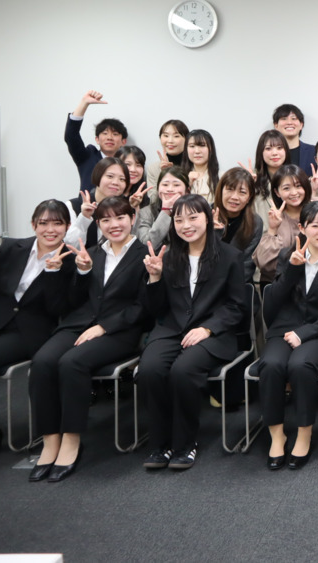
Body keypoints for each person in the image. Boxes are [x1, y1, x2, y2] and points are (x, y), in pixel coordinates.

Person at [28, 196, 147, 481]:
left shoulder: (145, 254)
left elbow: (144, 308)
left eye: (120, 217)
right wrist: (79, 272)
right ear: (98, 224)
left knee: (72, 363)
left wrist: (105, 327)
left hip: (119, 331)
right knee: (43, 362)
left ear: (132, 218)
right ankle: (50, 440)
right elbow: (68, 303)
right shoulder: (90, 252)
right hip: (78, 324)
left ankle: (71, 439)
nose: (113, 224)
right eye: (105, 219)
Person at [137, 195, 246, 471]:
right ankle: (160, 444)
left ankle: (185, 444)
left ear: (208, 218)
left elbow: (236, 307)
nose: (186, 225)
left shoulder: (230, 256)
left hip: (214, 334)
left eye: (193, 218)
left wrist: (208, 328)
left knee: (183, 371)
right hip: (171, 330)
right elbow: (155, 308)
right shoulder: (167, 255)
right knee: (149, 370)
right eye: (179, 219)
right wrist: (154, 279)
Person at [260, 202, 318, 470]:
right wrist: (291, 270)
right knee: (271, 365)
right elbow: (271, 305)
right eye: (315, 225)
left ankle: (304, 433)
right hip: (283, 328)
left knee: (300, 365)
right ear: (302, 228)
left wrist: (304, 333)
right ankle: (277, 436)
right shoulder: (288, 255)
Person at [0, 201, 75, 459]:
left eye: (57, 223)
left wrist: (53, 273)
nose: (50, 229)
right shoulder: (14, 247)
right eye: (44, 223)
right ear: (33, 225)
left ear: (67, 227)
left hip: (31, 331)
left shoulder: (70, 259)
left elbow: (58, 307)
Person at [253, 165, 311, 285]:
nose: (294, 193)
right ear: (277, 192)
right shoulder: (275, 217)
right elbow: (264, 264)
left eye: (298, 186)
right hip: (280, 283)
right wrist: (273, 228)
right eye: (286, 188)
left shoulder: (317, 211)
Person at [63, 90, 128, 192]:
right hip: (88, 206)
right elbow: (71, 136)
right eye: (105, 133)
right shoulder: (87, 156)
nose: (109, 138)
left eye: (115, 134)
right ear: (97, 139)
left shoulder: (127, 163)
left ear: (123, 141)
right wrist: (84, 103)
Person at [65, 157, 130, 249]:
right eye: (110, 176)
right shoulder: (72, 206)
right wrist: (84, 217)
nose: (116, 182)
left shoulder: (127, 208)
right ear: (98, 176)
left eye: (122, 179)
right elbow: (72, 246)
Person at [212, 167, 263, 284]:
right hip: (206, 285)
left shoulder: (255, 222)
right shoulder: (206, 215)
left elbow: (247, 266)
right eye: (230, 189)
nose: (235, 197)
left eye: (242, 192)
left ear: (249, 197)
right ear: (221, 190)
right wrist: (213, 234)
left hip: (238, 285)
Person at [136, 166, 189, 251]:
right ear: (158, 188)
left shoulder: (194, 211)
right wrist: (165, 211)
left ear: (187, 191)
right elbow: (147, 245)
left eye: (176, 185)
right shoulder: (145, 212)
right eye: (165, 184)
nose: (170, 189)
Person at [146, 120, 190, 190]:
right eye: (166, 136)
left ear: (187, 139)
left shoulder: (195, 165)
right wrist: (163, 174)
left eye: (176, 136)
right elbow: (153, 200)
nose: (170, 140)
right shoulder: (154, 169)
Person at [272, 103, 314, 176]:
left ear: (301, 125)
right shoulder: (270, 153)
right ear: (276, 125)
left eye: (294, 118)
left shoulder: (314, 151)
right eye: (284, 119)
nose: (289, 122)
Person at [181, 130, 220, 205]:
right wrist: (187, 185)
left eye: (202, 145)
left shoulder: (221, 176)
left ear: (211, 148)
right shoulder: (179, 177)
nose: (197, 151)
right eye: (192, 146)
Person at [115, 146, 150, 210]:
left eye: (138, 165)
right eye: (127, 164)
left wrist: (136, 207)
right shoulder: (108, 192)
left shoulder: (141, 195)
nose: (133, 170)